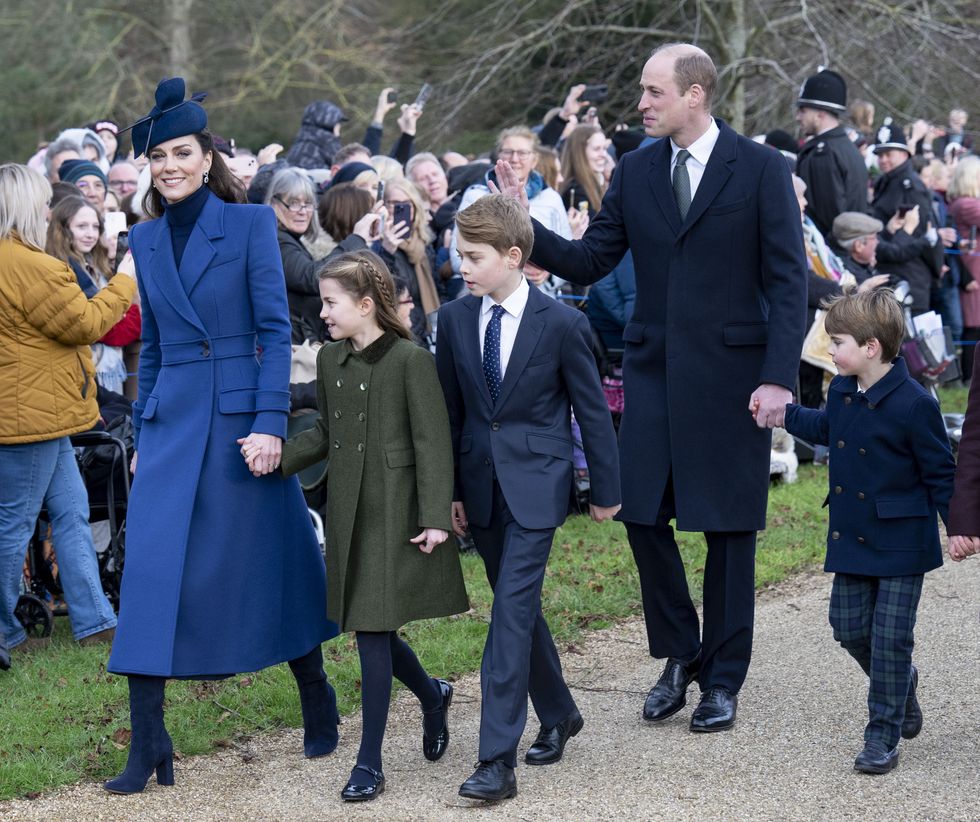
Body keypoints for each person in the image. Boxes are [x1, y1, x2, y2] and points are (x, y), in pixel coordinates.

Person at [496, 43, 807, 732]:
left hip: (734, 381)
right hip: (653, 374)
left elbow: (790, 285)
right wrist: (523, 225)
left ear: (695, 94)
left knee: (729, 530)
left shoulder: (760, 168)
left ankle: (722, 679)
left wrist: (778, 379)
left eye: (653, 91)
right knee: (640, 514)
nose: (641, 104)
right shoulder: (637, 169)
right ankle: (681, 652)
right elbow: (590, 257)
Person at [104, 77, 339, 794]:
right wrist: (145, 432)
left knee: (276, 559)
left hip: (242, 424)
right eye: (158, 156)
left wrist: (270, 425)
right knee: (148, 572)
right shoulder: (144, 238)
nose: (169, 166)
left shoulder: (249, 226)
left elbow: (273, 330)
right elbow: (157, 348)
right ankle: (150, 740)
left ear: (207, 158)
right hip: (172, 424)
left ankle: (315, 690)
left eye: (182, 152)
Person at [436, 195, 620, 802]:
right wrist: (453, 492)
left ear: (514, 256)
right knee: (518, 611)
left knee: (508, 615)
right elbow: (452, 413)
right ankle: (560, 712)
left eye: (474, 256)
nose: (462, 266)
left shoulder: (562, 324)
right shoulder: (454, 320)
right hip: (481, 489)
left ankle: (496, 760)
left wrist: (605, 490)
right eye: (459, 254)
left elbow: (592, 412)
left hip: (539, 487)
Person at [281, 249, 468, 801]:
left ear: (365, 305)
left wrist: (435, 517)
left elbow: (432, 444)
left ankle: (369, 761)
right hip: (350, 510)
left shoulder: (411, 360)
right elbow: (325, 433)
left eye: (331, 303)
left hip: (397, 510)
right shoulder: (329, 360)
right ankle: (432, 695)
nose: (322, 313)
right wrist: (277, 458)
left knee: (373, 628)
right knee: (371, 624)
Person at [782, 289, 955, 774]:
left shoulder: (915, 403)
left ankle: (882, 733)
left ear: (870, 347)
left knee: (891, 638)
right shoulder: (843, 389)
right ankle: (901, 683)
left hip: (903, 541)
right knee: (849, 628)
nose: (830, 350)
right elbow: (828, 427)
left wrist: (960, 526)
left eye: (836, 342)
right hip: (854, 534)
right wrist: (784, 414)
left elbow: (941, 473)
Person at [0, 163, 134, 656]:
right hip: (30, 416)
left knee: (72, 512)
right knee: (14, 525)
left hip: (41, 411)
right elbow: (86, 323)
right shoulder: (29, 264)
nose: (46, 211)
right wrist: (126, 278)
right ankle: (5, 630)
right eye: (41, 203)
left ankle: (94, 619)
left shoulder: (16, 259)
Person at [265, 166, 374, 343]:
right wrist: (357, 239)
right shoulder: (275, 240)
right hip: (293, 345)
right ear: (274, 204)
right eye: (293, 202)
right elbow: (312, 277)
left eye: (308, 203)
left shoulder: (288, 238)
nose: (303, 211)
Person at [45, 196, 139, 393]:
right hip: (83, 374)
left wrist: (114, 266)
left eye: (95, 227)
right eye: (82, 226)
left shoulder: (97, 265)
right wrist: (129, 314)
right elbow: (107, 328)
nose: (90, 234)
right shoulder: (59, 270)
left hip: (110, 370)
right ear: (62, 229)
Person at [870, 120, 942, 315]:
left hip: (910, 277)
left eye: (888, 154)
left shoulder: (911, 187)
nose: (883, 160)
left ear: (904, 154)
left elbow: (920, 236)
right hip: (892, 273)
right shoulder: (885, 182)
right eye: (880, 155)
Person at [795, 69, 870, 238]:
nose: (798, 117)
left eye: (803, 110)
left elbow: (828, 218)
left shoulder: (823, 154)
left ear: (819, 115)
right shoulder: (846, 148)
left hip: (831, 247)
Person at [947, 157, 980, 377]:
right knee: (974, 325)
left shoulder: (961, 203)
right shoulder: (968, 204)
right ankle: (970, 375)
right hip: (973, 270)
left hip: (972, 267)